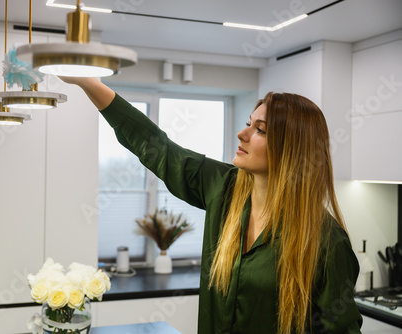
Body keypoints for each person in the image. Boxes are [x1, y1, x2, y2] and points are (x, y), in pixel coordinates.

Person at [59, 77, 362, 333]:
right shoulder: (224, 188)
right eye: (248, 123)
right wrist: (87, 81)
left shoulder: (328, 243)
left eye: (261, 129)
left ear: (291, 149)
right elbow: (157, 147)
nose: (242, 134)